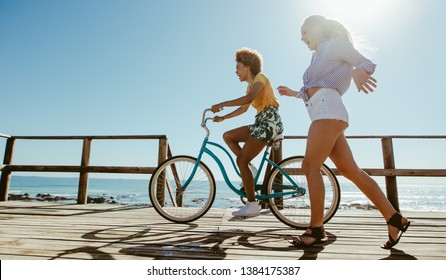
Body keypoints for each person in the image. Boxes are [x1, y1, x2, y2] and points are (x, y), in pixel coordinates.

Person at [277, 15, 410, 249]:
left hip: (328, 109)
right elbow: (315, 87)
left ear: (318, 27)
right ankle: (395, 219)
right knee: (351, 171)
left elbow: (364, 63)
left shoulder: (335, 45)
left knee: (310, 166)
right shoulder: (317, 55)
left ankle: (316, 230)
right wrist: (292, 93)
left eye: (305, 32)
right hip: (324, 110)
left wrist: (359, 72)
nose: (302, 38)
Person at [211, 47, 284, 217]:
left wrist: (222, 103)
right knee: (228, 136)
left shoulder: (260, 78)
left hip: (270, 122)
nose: (236, 71)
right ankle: (249, 167)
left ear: (247, 67)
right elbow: (243, 109)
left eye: (237, 67)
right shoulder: (250, 86)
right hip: (260, 122)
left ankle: (252, 205)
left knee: (241, 161)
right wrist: (223, 118)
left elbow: (249, 99)